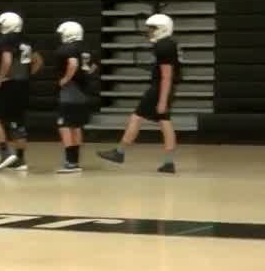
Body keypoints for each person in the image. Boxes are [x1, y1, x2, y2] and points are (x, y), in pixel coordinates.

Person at [97, 13, 180, 174]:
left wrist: (162, 100)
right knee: (165, 122)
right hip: (163, 87)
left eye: (153, 28)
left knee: (137, 117)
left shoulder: (163, 46)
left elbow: (167, 75)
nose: (150, 31)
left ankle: (119, 153)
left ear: (162, 29)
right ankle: (169, 163)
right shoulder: (168, 44)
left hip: (159, 88)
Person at [0, 12, 41, 172]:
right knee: (19, 121)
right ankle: (20, 159)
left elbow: (7, 60)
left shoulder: (6, 39)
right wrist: (28, 74)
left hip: (9, 84)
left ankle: (5, 153)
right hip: (23, 84)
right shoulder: (27, 40)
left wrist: (1, 77)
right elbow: (38, 60)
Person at [54, 20, 97, 174]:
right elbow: (93, 67)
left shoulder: (66, 49)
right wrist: (84, 76)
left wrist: (65, 79)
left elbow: (72, 64)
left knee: (65, 126)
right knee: (76, 126)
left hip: (70, 92)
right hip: (83, 92)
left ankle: (70, 163)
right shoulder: (87, 48)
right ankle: (76, 161)